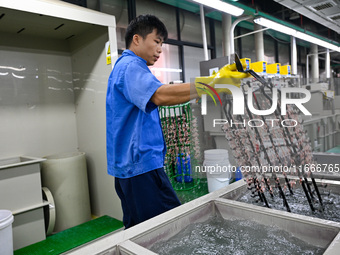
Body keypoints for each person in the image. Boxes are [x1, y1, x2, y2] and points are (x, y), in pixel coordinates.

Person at [106, 14, 248, 229]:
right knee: (166, 229)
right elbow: (160, 95)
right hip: (140, 167)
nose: (160, 49)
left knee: (139, 230)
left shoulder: (129, 67)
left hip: (134, 167)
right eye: (156, 41)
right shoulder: (130, 66)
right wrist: (215, 82)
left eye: (162, 44)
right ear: (137, 39)